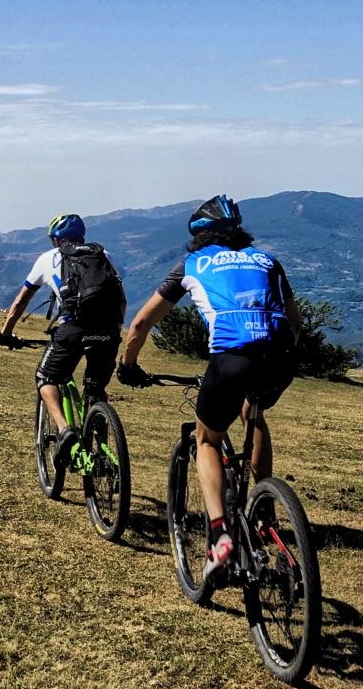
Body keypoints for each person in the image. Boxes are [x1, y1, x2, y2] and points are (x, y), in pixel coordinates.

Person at [118, 194, 301, 582]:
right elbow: (295, 322)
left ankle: (219, 535)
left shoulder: (192, 263)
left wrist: (128, 364)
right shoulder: (268, 260)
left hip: (230, 360)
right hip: (279, 356)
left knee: (207, 440)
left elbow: (140, 325)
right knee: (254, 414)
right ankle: (264, 511)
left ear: (198, 237)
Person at [0, 213, 127, 483]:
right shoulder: (103, 254)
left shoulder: (48, 259)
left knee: (46, 378)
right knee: (95, 391)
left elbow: (23, 298)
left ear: (56, 239)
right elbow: (121, 297)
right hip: (108, 331)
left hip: (73, 328)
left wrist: (6, 332)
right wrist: (114, 329)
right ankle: (101, 455)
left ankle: (65, 429)